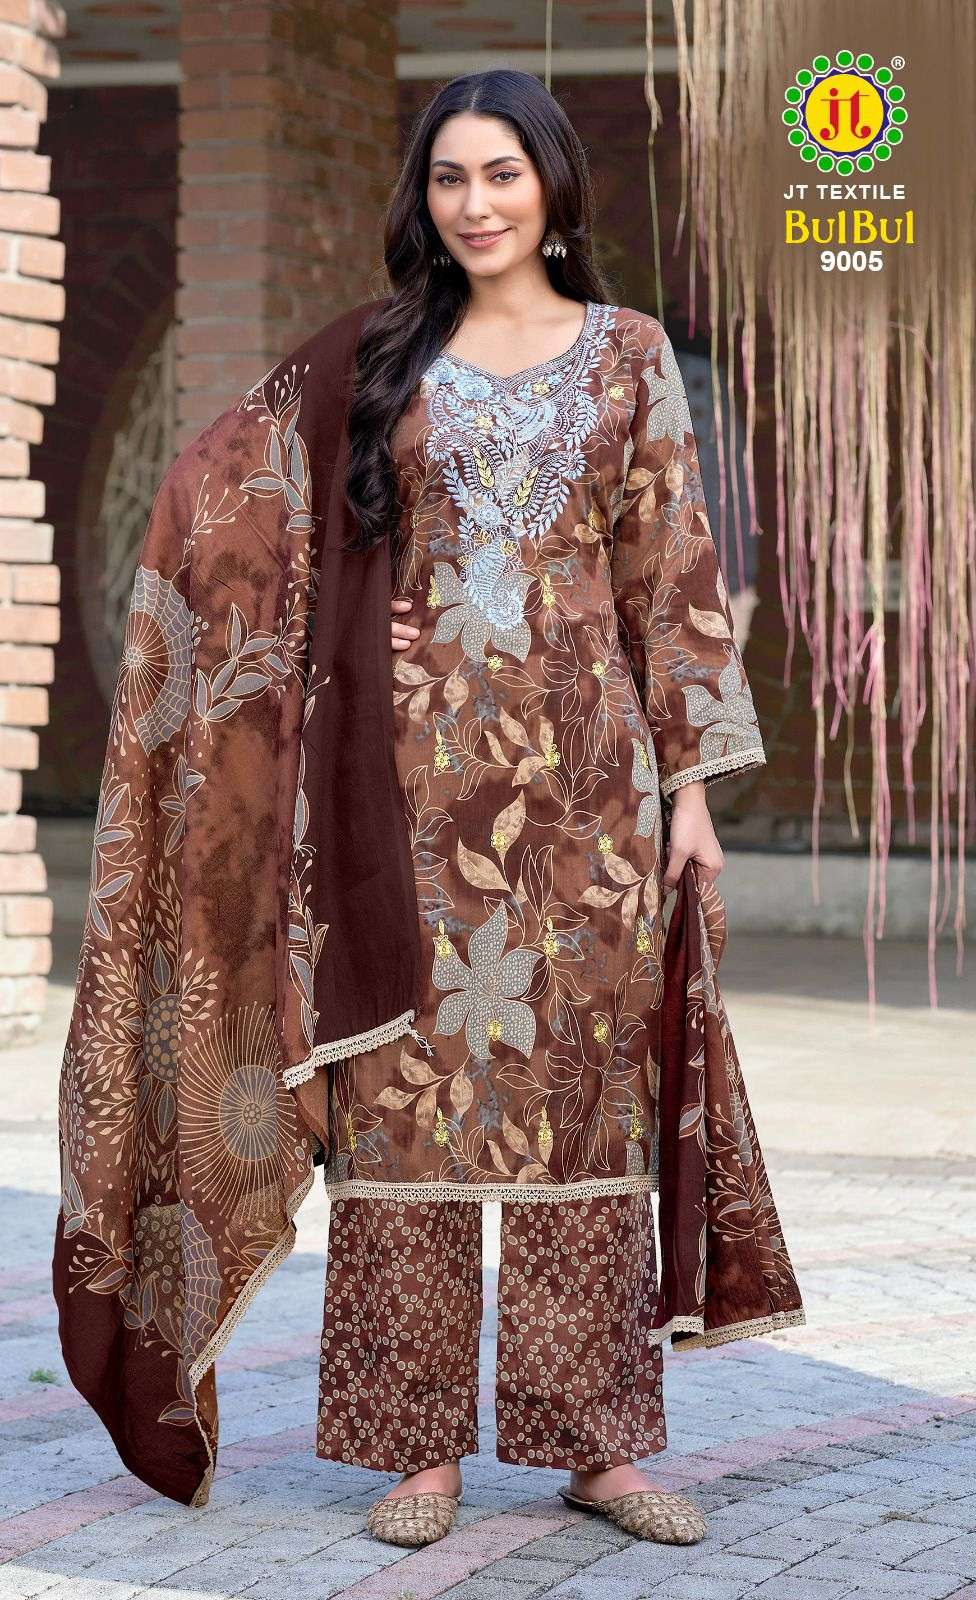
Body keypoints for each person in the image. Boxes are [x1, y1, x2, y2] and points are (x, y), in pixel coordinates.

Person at [285, 69, 768, 1550]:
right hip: (404, 792)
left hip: (587, 796)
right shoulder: (379, 355)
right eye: (449, 178)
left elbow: (671, 577)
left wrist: (690, 792)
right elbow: (273, 527)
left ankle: (594, 1444)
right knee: (402, 1101)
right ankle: (414, 1447)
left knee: (581, 1107)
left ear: (552, 184)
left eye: (501, 173)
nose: (475, 203)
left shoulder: (628, 354)